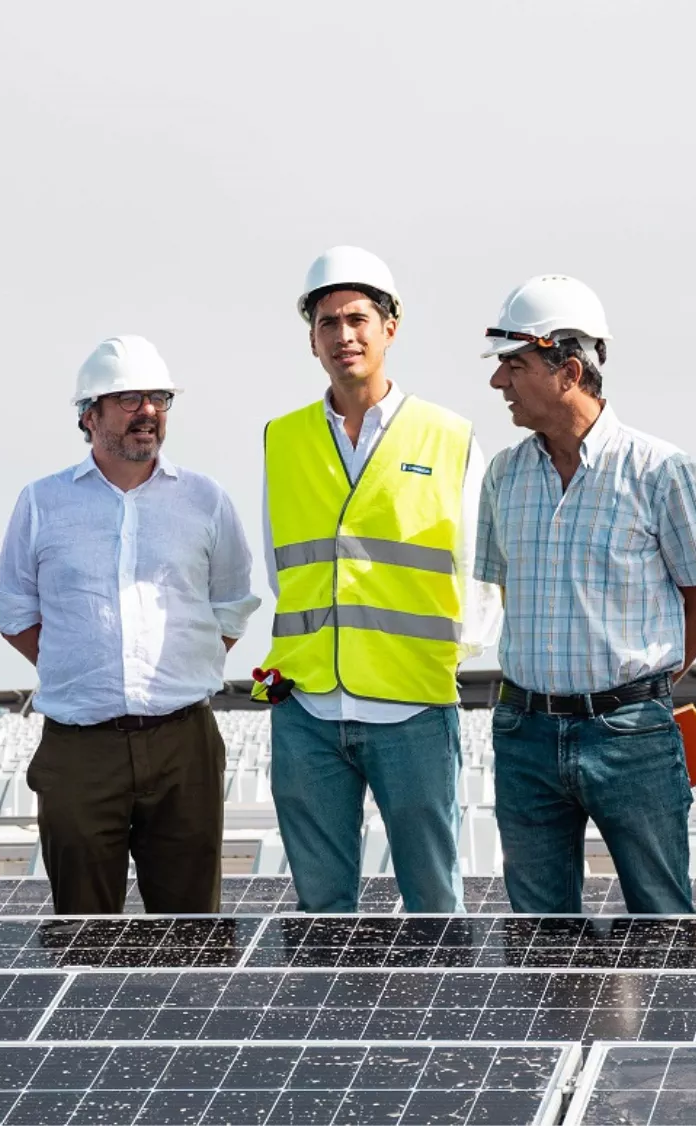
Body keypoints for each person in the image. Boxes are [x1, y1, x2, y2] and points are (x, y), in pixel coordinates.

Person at [475, 275, 696, 915]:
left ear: (568, 368)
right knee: (538, 932)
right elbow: (507, 589)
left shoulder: (662, 473)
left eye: (514, 364)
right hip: (525, 731)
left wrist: (643, 687)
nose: (498, 383)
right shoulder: (504, 475)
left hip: (631, 734)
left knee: (662, 922)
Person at [259, 246, 501, 914]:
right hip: (308, 707)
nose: (345, 336)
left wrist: (446, 654)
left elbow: (483, 573)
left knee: (434, 901)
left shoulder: (448, 437)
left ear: (390, 327)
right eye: (329, 322)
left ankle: (441, 1019)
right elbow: (281, 566)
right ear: (312, 338)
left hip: (412, 707)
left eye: (359, 319)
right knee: (321, 907)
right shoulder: (282, 439)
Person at [0, 335, 259, 914]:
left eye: (159, 398)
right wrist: (83, 666)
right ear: (89, 415)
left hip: (183, 742)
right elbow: (14, 611)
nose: (149, 413)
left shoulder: (205, 500)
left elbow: (233, 603)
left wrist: (182, 667)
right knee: (83, 935)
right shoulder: (41, 503)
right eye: (130, 398)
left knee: (191, 935)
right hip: (80, 748)